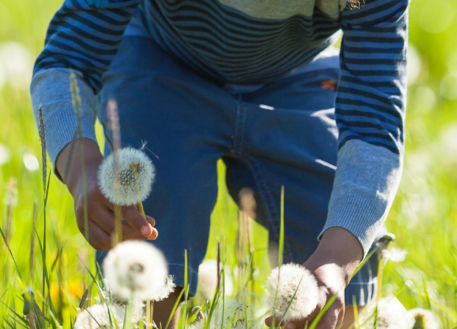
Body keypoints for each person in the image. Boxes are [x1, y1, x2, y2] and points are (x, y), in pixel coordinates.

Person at [30, 0, 407, 327]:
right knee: (149, 224)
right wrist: (80, 165)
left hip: (298, 73)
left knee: (339, 244)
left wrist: (336, 261)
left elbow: (373, 125)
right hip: (161, 58)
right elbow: (68, 58)